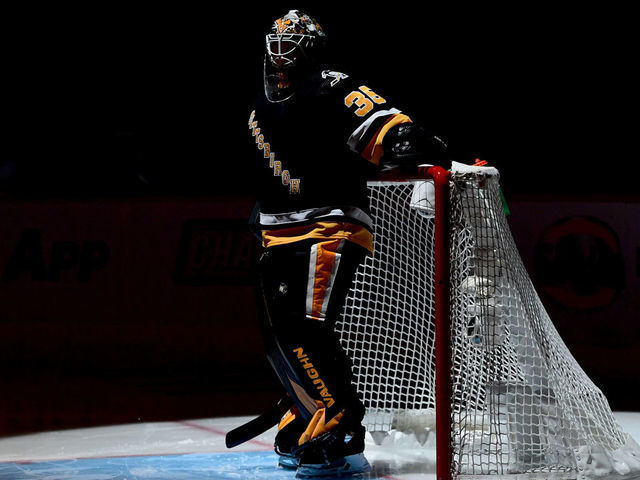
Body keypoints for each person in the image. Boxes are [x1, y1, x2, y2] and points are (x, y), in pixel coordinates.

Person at [246, 9, 448, 478]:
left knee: (304, 328)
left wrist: (404, 137)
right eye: (276, 42)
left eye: (291, 44)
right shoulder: (260, 107)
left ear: (311, 51)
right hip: (275, 231)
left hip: (327, 227)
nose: (280, 53)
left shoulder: (332, 85)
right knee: (280, 339)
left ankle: (340, 429)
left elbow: (382, 122)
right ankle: (308, 414)